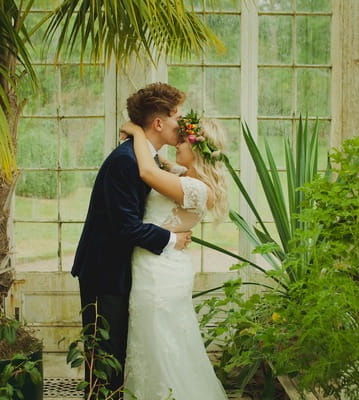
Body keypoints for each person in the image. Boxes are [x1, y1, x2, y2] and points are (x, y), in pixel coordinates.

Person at [70, 82, 192, 399]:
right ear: (159, 122)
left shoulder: (143, 159)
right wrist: (172, 239)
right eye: (177, 116)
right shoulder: (124, 161)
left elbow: (170, 175)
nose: (181, 123)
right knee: (104, 361)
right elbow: (126, 227)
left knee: (119, 357)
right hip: (105, 274)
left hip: (122, 272)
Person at [120, 112, 229, 400]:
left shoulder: (195, 188)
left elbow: (147, 171)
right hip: (158, 263)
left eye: (184, 140)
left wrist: (137, 131)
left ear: (198, 150)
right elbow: (163, 164)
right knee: (157, 345)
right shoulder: (185, 177)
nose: (177, 144)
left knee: (161, 346)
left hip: (159, 273)